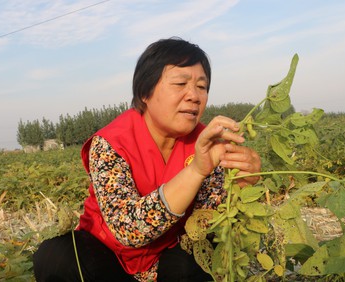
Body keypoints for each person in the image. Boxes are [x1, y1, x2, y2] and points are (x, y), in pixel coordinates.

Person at [33, 37, 261, 282]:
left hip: (167, 255)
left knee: (203, 255)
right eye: (180, 83)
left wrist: (242, 188)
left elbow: (206, 220)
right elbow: (128, 230)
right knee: (56, 256)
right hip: (108, 256)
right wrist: (195, 171)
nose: (194, 96)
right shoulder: (110, 142)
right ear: (145, 93)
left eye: (202, 87)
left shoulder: (207, 144)